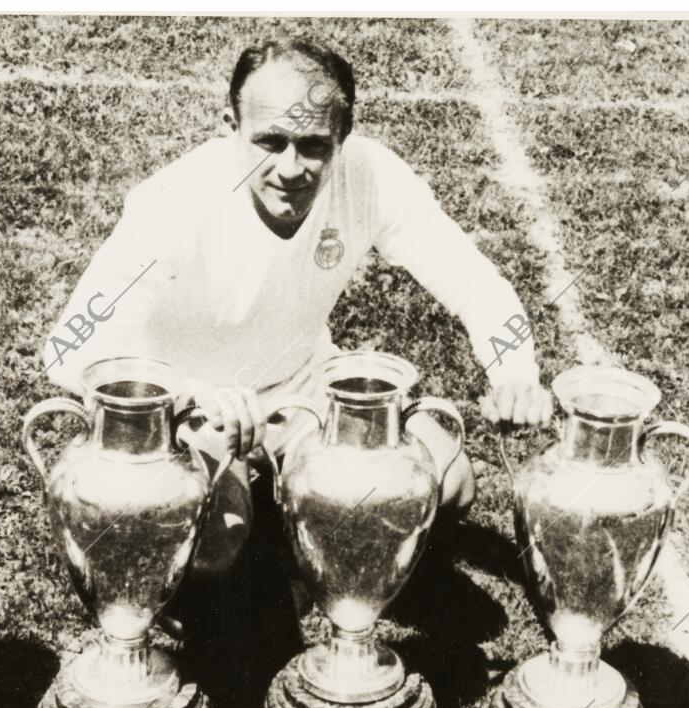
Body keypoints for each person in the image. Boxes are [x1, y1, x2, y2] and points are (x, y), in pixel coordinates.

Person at [42, 37, 553, 582]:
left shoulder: (373, 176)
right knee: (213, 548)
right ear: (230, 126)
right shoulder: (173, 202)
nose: (291, 168)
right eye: (270, 141)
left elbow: (474, 282)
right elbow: (68, 349)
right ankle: (274, 520)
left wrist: (515, 373)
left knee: (448, 483)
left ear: (343, 135)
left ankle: (305, 536)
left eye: (313, 145)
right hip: (196, 409)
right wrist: (190, 397)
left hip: (303, 388)